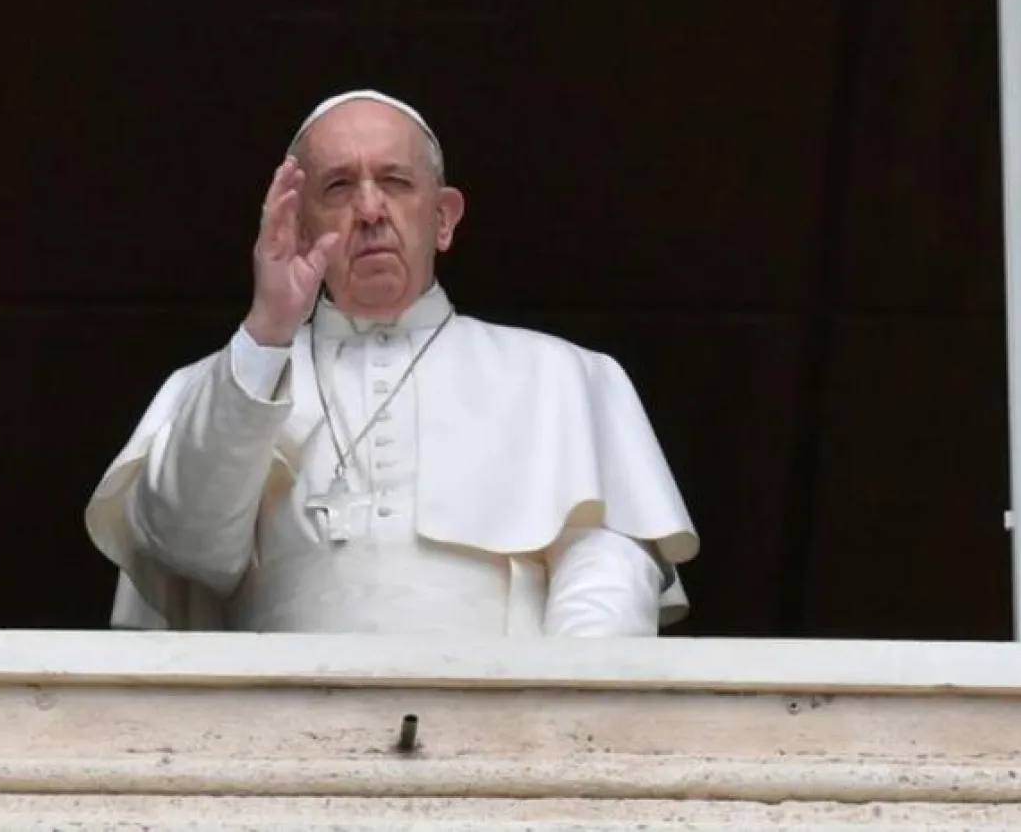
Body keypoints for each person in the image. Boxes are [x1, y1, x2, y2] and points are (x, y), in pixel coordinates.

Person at [84, 89, 699, 636]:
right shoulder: (221, 382)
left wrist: (556, 718)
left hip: (499, 726)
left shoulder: (560, 376)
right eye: (339, 187)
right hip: (281, 729)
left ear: (443, 219)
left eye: (396, 182)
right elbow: (189, 548)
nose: (371, 210)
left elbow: (607, 569)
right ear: (297, 228)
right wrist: (268, 330)